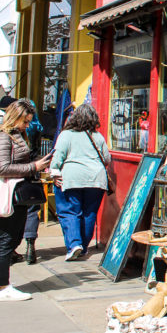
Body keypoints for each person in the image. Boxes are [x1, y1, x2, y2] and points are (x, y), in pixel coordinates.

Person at [0, 100, 52, 302]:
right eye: (25, 122)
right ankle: (2, 287)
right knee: (7, 240)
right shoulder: (3, 137)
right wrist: (34, 167)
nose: (27, 126)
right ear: (14, 117)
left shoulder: (16, 135)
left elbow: (19, 161)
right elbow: (4, 168)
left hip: (16, 194)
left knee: (12, 239)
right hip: (8, 194)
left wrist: (40, 167)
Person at [50, 104, 112, 260]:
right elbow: (107, 159)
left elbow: (58, 157)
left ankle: (74, 244)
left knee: (70, 211)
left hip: (72, 178)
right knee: (89, 213)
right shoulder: (98, 136)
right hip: (96, 180)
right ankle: (83, 247)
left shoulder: (66, 135)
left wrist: (55, 171)